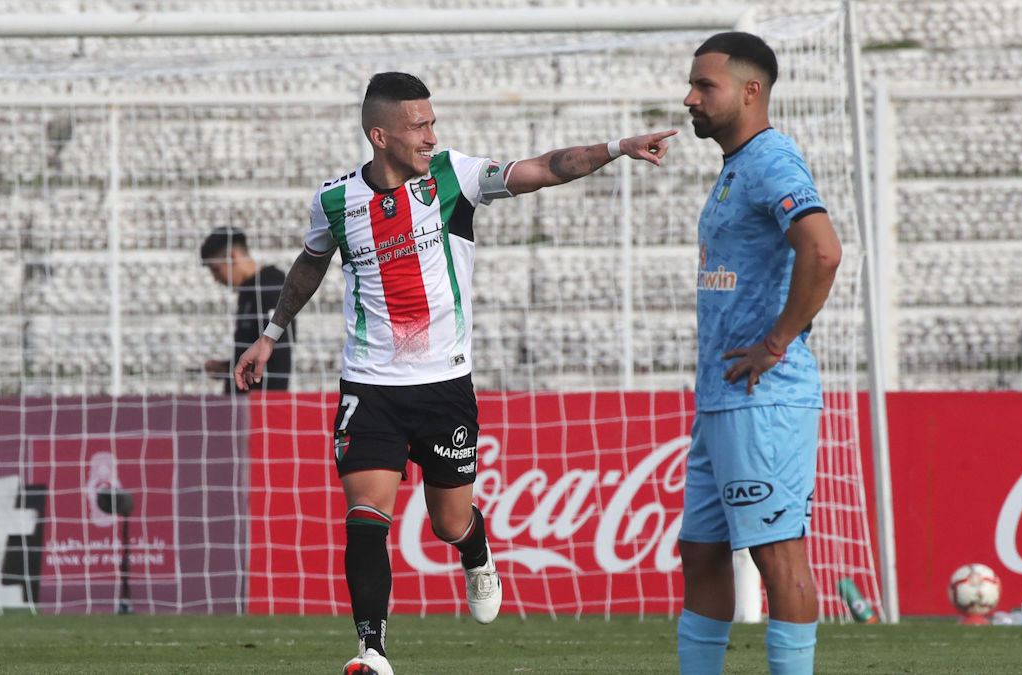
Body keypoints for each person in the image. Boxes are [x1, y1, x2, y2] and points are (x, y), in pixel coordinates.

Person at [232, 71, 676, 675]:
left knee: (447, 522)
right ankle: (372, 651)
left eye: (433, 122)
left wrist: (619, 147)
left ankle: (476, 549)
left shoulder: (454, 176)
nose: (431, 135)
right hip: (370, 383)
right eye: (420, 126)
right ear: (380, 134)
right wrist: (270, 334)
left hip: (445, 386)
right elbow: (312, 264)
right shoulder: (335, 199)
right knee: (366, 515)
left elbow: (547, 167)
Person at [676, 33, 842, 675]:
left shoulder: (773, 160)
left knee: (778, 555)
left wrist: (777, 342)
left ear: (751, 91)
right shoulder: (738, 165)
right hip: (722, 397)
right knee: (701, 550)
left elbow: (822, 250)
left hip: (763, 398)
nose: (690, 98)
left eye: (704, 86)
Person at [200, 227, 294, 394]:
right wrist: (227, 367)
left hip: (260, 404)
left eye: (216, 269)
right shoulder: (247, 290)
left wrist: (272, 403)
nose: (216, 278)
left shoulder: (270, 285)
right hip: (243, 403)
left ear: (232, 257)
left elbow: (278, 353)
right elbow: (255, 352)